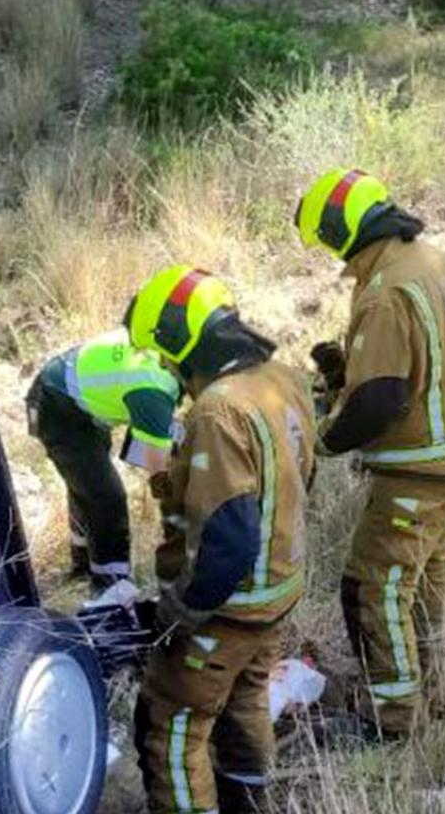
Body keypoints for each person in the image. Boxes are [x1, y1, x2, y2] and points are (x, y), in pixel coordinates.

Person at [297, 168, 445, 738]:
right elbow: (427, 359)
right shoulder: (435, 259)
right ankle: (432, 690)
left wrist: (323, 441)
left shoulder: (383, 291)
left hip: (418, 468)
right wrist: (346, 373)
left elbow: (381, 399)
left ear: (342, 231)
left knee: (371, 587)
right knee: (426, 580)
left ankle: (392, 717)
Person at [126, 265, 315, 814]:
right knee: (247, 697)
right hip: (280, 589)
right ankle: (249, 802)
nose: (166, 368)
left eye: (164, 354)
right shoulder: (283, 380)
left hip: (229, 606)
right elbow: (304, 475)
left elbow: (228, 541)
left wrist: (180, 611)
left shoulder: (218, 410)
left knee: (171, 725)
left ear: (178, 341)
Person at [26, 329, 179, 588]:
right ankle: (110, 587)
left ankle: (83, 561)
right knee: (106, 498)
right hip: (55, 407)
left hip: (79, 397)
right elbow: (160, 476)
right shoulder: (153, 388)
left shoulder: (165, 352)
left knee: (87, 484)